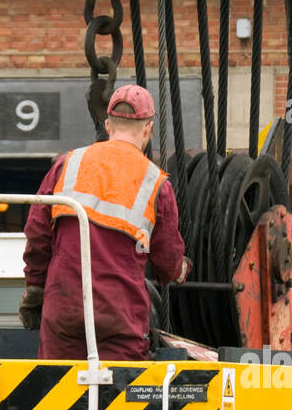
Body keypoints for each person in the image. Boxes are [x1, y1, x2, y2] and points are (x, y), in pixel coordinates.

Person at [20, 84, 189, 360]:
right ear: (148, 130)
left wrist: (36, 288)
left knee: (57, 391)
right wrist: (180, 270)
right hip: (119, 315)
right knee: (121, 393)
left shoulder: (67, 165)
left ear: (108, 125)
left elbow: (38, 233)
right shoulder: (156, 182)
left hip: (64, 305)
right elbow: (166, 260)